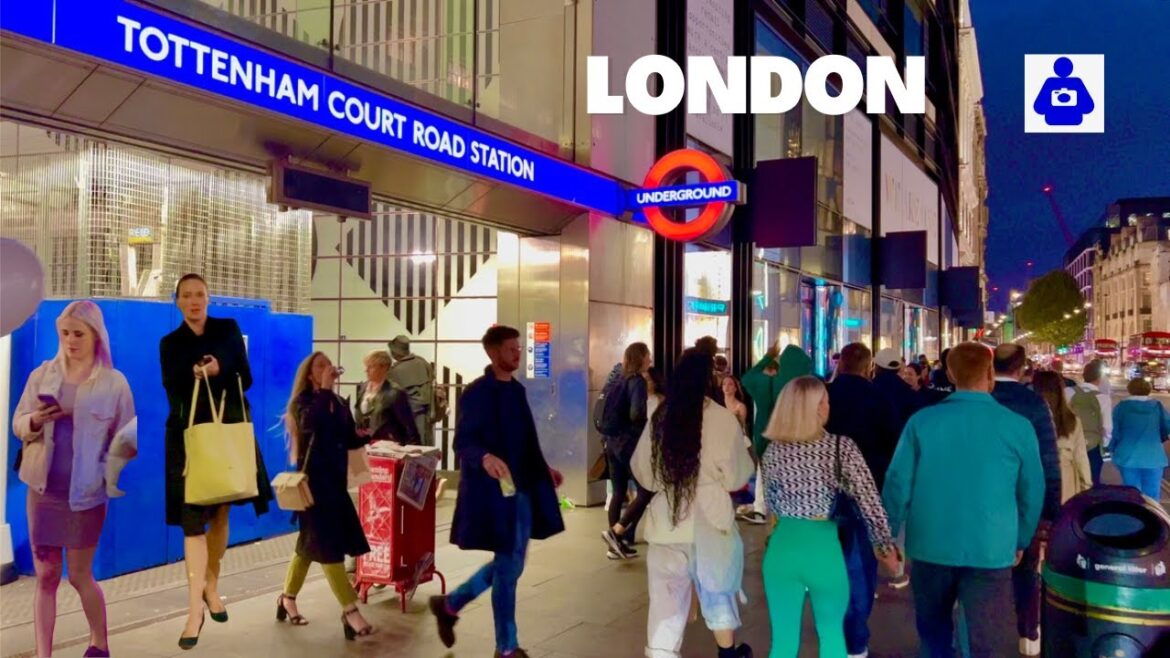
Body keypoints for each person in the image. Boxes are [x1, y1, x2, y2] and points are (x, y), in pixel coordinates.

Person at [883, 342, 1045, 658]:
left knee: (933, 631)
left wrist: (886, 536)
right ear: (990, 374)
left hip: (931, 544)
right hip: (992, 546)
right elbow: (1031, 490)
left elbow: (897, 483)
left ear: (951, 373)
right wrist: (1021, 539)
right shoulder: (1017, 427)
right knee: (988, 637)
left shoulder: (922, 422)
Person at [429, 326, 565, 658]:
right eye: (510, 349)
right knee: (509, 566)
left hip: (524, 487)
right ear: (493, 353)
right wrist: (485, 458)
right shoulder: (477, 393)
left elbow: (526, 439)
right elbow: (463, 442)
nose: (517, 353)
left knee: (511, 565)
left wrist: (544, 469)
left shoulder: (516, 391)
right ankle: (506, 646)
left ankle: (451, 604)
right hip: (496, 494)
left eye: (518, 348)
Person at [13, 301, 135, 658]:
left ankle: (100, 642)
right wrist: (35, 420)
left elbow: (126, 442)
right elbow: (19, 424)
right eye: (64, 333)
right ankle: (43, 653)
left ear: (96, 335)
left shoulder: (114, 384)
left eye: (78, 333)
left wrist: (104, 475)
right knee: (46, 575)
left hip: (86, 495)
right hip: (43, 491)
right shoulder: (42, 375)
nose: (70, 340)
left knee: (79, 576)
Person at [159, 273, 273, 649]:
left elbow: (246, 375)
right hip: (188, 438)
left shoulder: (227, 329)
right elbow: (172, 387)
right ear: (177, 301)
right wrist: (195, 374)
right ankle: (194, 612)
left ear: (209, 299)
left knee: (221, 512)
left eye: (200, 295)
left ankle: (212, 583)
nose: (194, 301)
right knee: (192, 524)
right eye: (187, 296)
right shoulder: (170, 343)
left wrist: (216, 368)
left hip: (229, 430)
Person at [761, 375, 900, 658]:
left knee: (783, 642)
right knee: (831, 634)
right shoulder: (840, 448)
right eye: (824, 400)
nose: (828, 405)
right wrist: (884, 545)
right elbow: (869, 502)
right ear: (815, 408)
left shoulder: (773, 450)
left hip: (782, 548)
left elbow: (772, 505)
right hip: (823, 547)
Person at [631, 350, 755, 658]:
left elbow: (643, 472)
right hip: (710, 524)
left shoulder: (661, 416)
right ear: (707, 379)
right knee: (718, 596)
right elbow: (738, 475)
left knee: (665, 606)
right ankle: (728, 654)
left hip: (667, 523)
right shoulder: (721, 419)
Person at [277, 352, 377, 640]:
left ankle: (287, 597)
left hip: (335, 486)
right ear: (309, 374)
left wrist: (368, 433)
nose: (328, 369)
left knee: (308, 546)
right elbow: (311, 427)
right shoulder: (304, 404)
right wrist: (323, 390)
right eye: (320, 366)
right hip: (313, 488)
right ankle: (350, 610)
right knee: (328, 548)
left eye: (328, 365)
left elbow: (348, 438)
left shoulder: (337, 402)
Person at [824, 343, 900, 658]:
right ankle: (854, 638)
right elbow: (892, 443)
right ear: (869, 366)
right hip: (866, 492)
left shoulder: (823, 395)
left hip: (824, 491)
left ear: (841, 364)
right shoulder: (878, 398)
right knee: (860, 567)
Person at [989, 343, 1060, 656]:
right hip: (1024, 501)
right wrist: (1051, 512)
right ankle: (1028, 634)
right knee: (1027, 570)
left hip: (987, 501)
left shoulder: (983, 398)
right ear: (1021, 369)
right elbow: (1049, 459)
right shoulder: (1034, 403)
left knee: (983, 572)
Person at [741, 343, 812, 525]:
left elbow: (748, 378)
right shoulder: (809, 386)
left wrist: (768, 357)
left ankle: (763, 511)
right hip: (800, 438)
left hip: (768, 436)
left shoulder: (769, 383)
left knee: (764, 473)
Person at [600, 343, 653, 560]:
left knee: (618, 492)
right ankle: (617, 532)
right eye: (648, 356)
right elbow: (636, 414)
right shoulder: (637, 381)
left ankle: (616, 545)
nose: (650, 360)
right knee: (647, 490)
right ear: (641, 358)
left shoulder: (618, 379)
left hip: (611, 443)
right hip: (628, 444)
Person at [1033, 371, 1092, 503]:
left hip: (1036, 480)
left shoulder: (1029, 418)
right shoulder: (1071, 420)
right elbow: (1080, 457)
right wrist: (1086, 486)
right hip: (1066, 481)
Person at [1110, 378, 1170, 500]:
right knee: (1152, 495)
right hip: (1154, 456)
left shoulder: (1121, 407)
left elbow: (1115, 431)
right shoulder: (1157, 407)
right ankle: (1152, 517)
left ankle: (1135, 517)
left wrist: (1112, 449)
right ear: (1148, 390)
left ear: (1130, 389)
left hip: (1127, 455)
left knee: (1131, 493)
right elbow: (1166, 427)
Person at [354, 349, 420, 445]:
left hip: (388, 448)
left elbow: (409, 428)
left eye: (371, 366)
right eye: (366, 366)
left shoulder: (395, 393)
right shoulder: (362, 388)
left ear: (384, 368)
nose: (366, 370)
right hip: (364, 446)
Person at [387, 334, 436, 445]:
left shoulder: (394, 372)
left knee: (409, 455)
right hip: (426, 418)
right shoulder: (422, 362)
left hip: (406, 421)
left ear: (395, 352)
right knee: (425, 452)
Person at [1070, 359, 1112, 485]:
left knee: (1072, 478)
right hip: (1094, 444)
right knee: (1092, 479)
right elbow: (1107, 426)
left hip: (1070, 441)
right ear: (1100, 378)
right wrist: (1104, 444)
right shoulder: (1103, 398)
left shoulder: (1068, 392)